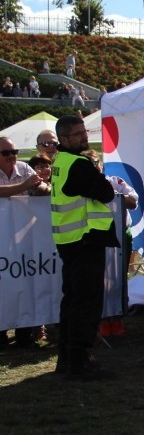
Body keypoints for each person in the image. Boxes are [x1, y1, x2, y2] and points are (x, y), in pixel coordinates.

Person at [51, 115, 119, 379]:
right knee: (86, 304)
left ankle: (66, 360)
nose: (84, 137)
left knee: (72, 302)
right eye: (78, 134)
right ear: (64, 138)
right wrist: (98, 174)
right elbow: (105, 192)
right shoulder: (79, 164)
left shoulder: (62, 161)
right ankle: (80, 363)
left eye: (84, 132)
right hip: (84, 239)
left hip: (70, 241)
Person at [82, 149, 139, 335]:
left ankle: (117, 318)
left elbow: (133, 202)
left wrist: (115, 196)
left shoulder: (114, 181)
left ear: (100, 165)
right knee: (98, 278)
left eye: (94, 164)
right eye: (87, 165)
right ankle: (102, 319)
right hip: (95, 236)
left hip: (121, 234)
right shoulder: (81, 187)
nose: (92, 168)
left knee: (119, 277)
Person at [0, 136, 48, 348]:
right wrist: (25, 185)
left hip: (24, 236)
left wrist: (41, 189)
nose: (12, 156)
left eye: (14, 151)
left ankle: (25, 332)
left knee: (25, 280)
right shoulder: (24, 176)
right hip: (2, 239)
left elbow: (42, 188)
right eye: (6, 153)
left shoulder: (24, 168)